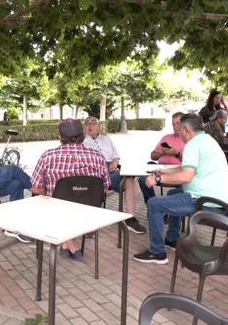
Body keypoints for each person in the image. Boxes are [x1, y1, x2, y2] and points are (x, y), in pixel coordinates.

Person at [133, 113, 228, 265]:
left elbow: (186, 177)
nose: (178, 132)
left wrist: (157, 179)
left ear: (186, 129)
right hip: (218, 200)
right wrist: (165, 171)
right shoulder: (207, 140)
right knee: (173, 193)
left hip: (204, 202)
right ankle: (172, 239)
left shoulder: (192, 145)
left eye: (180, 128)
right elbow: (187, 167)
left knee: (154, 203)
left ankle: (157, 253)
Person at [31, 119, 110, 260]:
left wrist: (48, 195)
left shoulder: (48, 156)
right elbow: (105, 187)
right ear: (83, 135)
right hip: (90, 212)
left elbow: (36, 188)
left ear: (60, 137)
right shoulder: (98, 156)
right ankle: (68, 244)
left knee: (46, 202)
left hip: (57, 212)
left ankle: (70, 246)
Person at [83, 116, 147, 234]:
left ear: (98, 126)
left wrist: (115, 162)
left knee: (129, 180)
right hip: (93, 171)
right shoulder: (81, 141)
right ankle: (90, 222)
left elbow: (116, 155)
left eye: (93, 123)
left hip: (111, 171)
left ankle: (130, 218)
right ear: (84, 127)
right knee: (95, 185)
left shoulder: (106, 139)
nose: (90, 125)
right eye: (88, 123)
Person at [138, 112, 186, 204]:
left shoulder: (188, 139)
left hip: (178, 171)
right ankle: (151, 203)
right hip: (160, 169)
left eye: (178, 123)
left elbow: (191, 162)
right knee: (142, 180)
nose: (175, 126)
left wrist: (177, 153)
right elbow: (152, 156)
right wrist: (161, 152)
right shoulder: (166, 137)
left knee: (184, 184)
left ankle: (174, 210)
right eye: (173, 124)